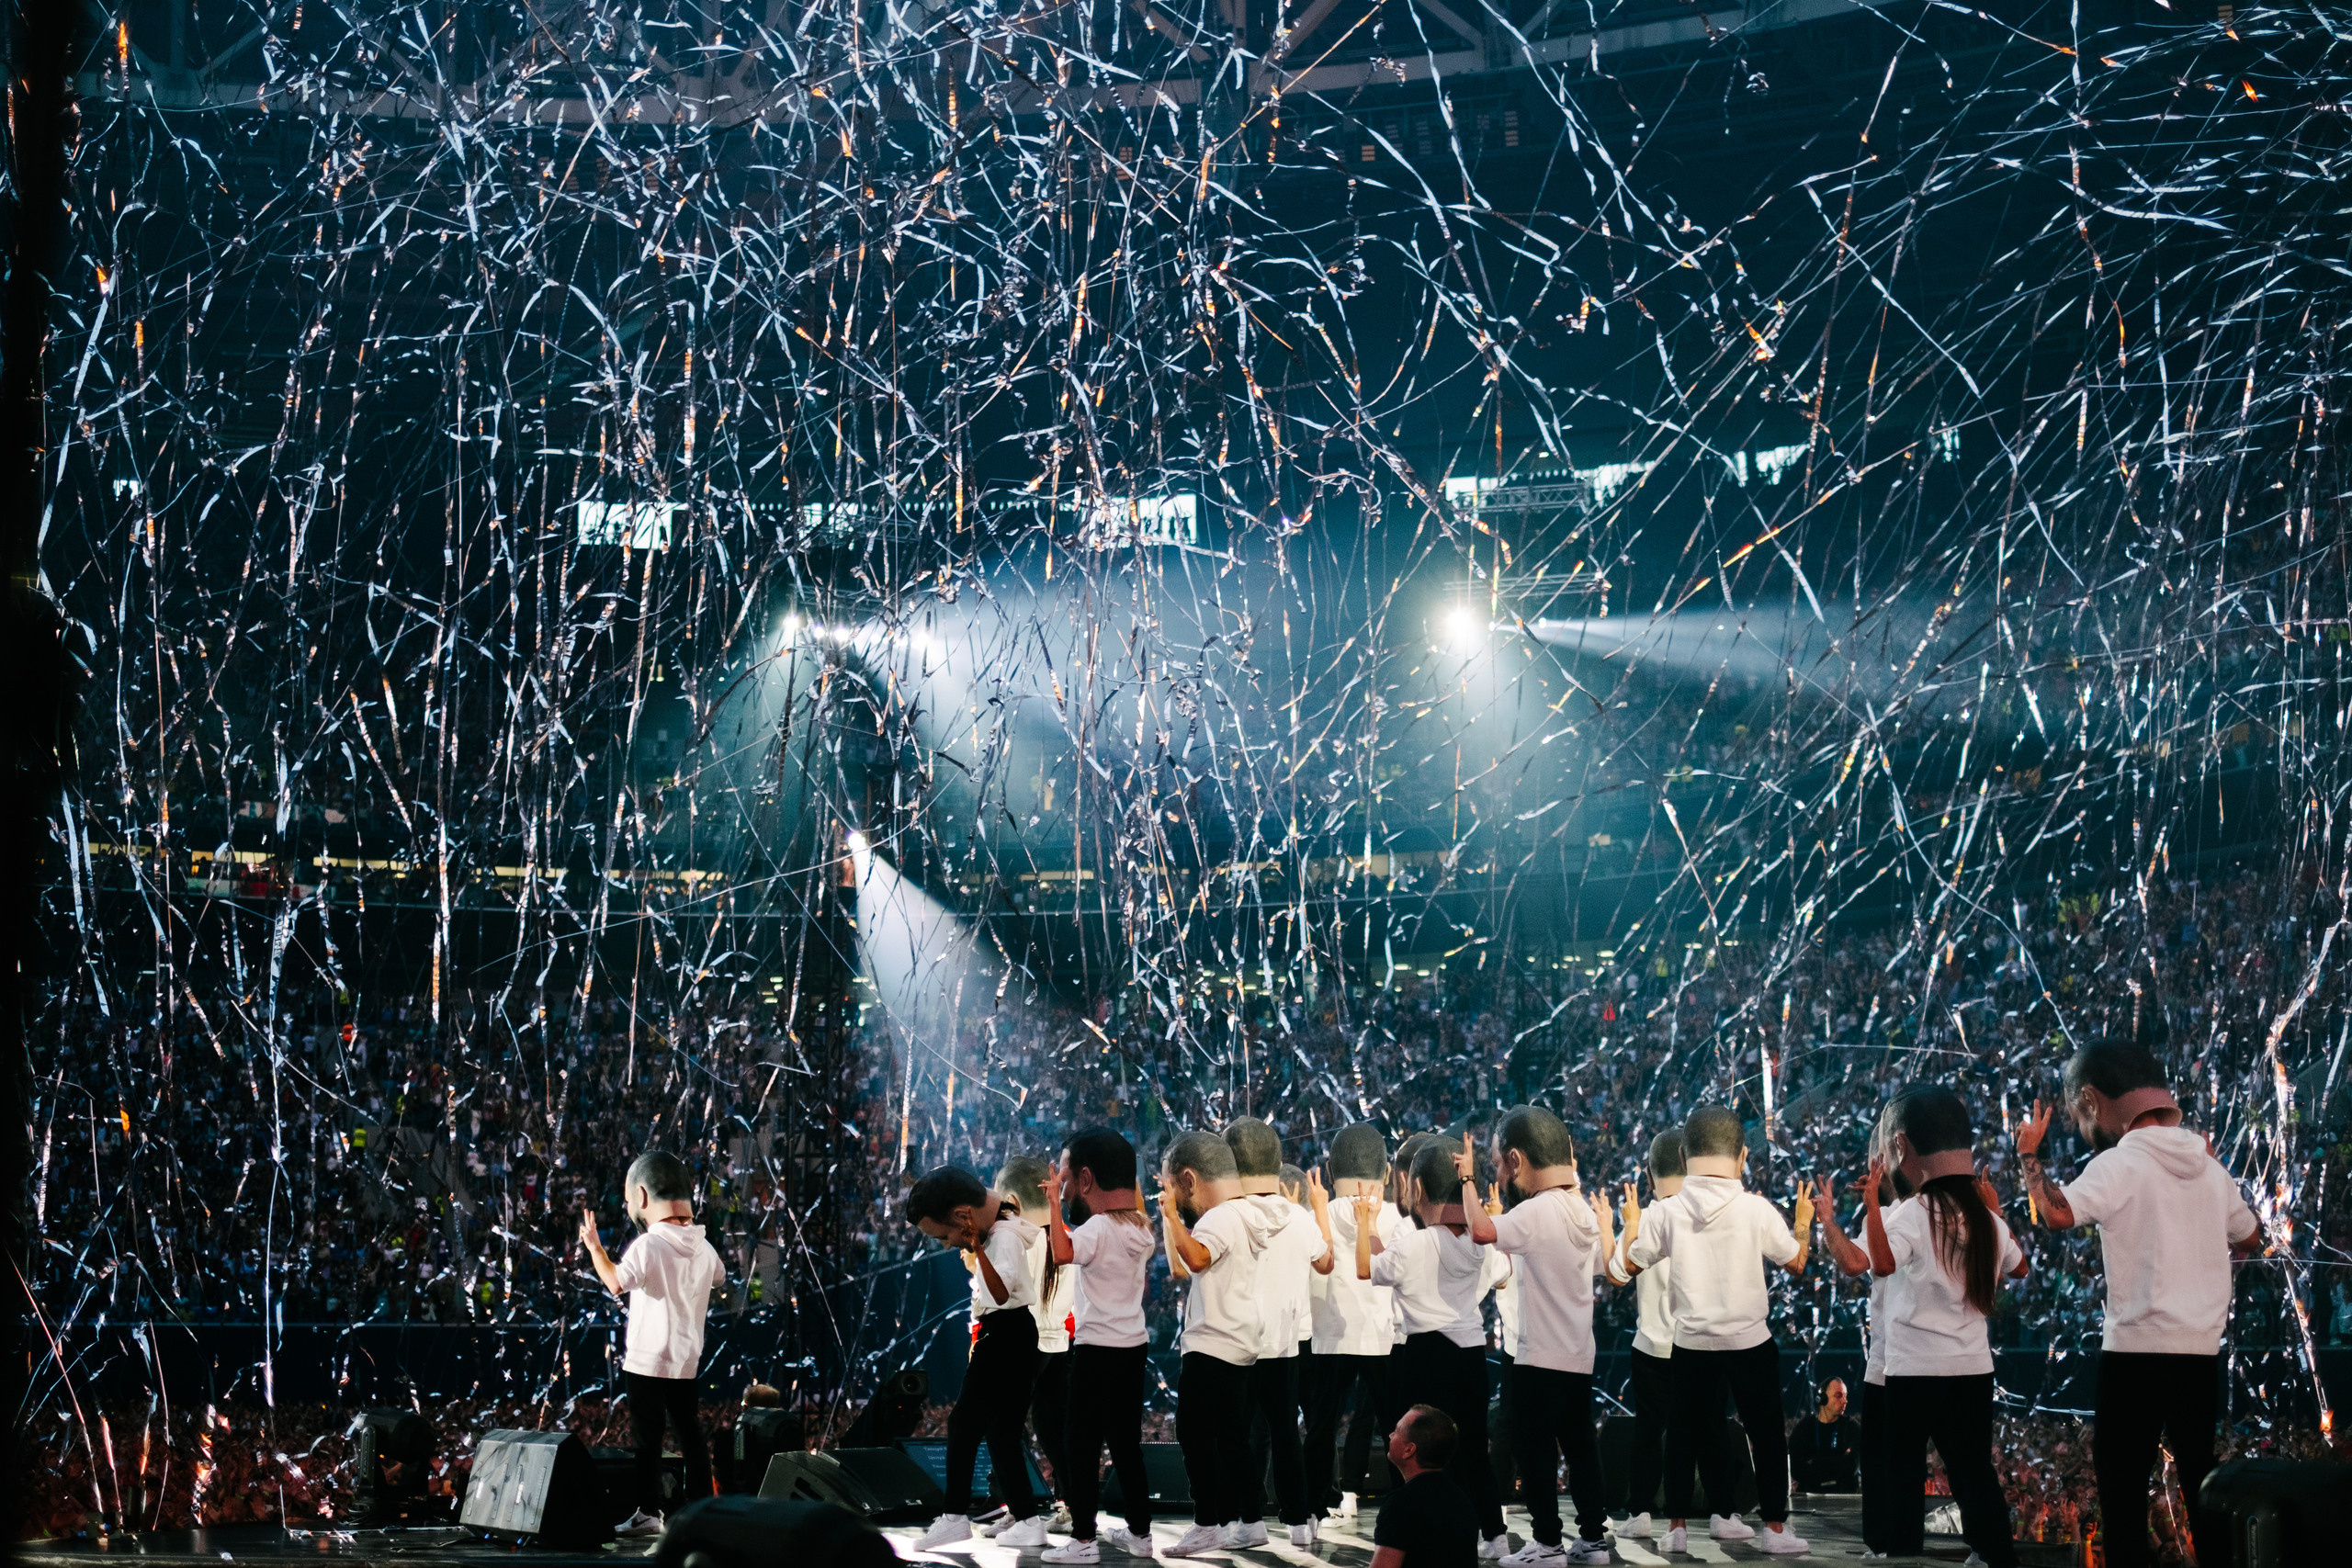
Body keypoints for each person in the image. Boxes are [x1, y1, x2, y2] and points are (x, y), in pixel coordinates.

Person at [2016, 1041, 2262, 1568]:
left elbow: (2056, 1214)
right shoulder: (2209, 1168)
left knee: (2123, 1495)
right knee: (2203, 1488)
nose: (2084, 1132)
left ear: (2091, 1099)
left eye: (2080, 1117)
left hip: (2135, 1355)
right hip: (2200, 1355)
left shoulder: (2120, 1164)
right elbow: (2253, 1237)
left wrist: (2028, 1155)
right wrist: (2214, 1189)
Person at [1621, 1104, 1815, 1556]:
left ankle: (1677, 1528)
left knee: (1681, 1435)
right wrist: (1803, 1220)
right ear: (1742, 1157)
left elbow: (1630, 1264)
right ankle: (1774, 1531)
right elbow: (1797, 1262)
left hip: (1690, 1341)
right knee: (1766, 1434)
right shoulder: (1755, 1209)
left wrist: (1632, 1226)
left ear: (1686, 1158)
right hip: (1749, 1340)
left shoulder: (1667, 1213)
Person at [1865, 1087, 2028, 1568]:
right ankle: (1994, 1554)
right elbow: (2019, 1269)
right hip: (1972, 1368)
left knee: (1904, 1471)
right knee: (1973, 1470)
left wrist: (1875, 1205)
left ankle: (1903, 1557)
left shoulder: (1913, 1213)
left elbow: (1882, 1262)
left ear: (1901, 1147)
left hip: (1914, 1369)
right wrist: (1996, 1213)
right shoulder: (1984, 1218)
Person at [1457, 1111, 1613, 1566]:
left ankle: (1547, 1543)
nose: (1499, 1176)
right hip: (1579, 1356)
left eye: (1498, 1166)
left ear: (1516, 1159)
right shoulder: (1580, 1210)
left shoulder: (1536, 1209)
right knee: (1582, 1450)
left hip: (1537, 1356)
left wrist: (1467, 1180)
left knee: (1536, 1452)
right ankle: (1594, 1541)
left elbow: (1484, 1231)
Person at [1361, 1136, 1511, 1560]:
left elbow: (1372, 1269)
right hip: (1470, 1355)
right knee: (1472, 1450)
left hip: (1425, 1355)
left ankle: (1418, 1529)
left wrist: (1368, 1226)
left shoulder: (1412, 1243)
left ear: (1419, 1189)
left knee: (1420, 1455)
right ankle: (1493, 1534)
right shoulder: (1478, 1244)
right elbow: (1504, 1270)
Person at [577, 1150, 726, 1536]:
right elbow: (721, 1278)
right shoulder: (706, 1248)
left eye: (629, 1200)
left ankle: (648, 1513)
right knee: (690, 1437)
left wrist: (595, 1247)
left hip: (647, 1362)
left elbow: (615, 1282)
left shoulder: (649, 1245)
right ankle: (703, 1511)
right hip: (686, 1361)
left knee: (648, 1441)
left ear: (642, 1197)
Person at [903, 1165, 1049, 1551]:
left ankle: (953, 1517)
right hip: (1015, 1333)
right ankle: (1028, 1519)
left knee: (964, 1423)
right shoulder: (1005, 1227)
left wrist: (978, 1249)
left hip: (1005, 1332)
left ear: (962, 1215)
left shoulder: (1000, 1240)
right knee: (1001, 1433)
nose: (949, 1244)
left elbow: (999, 1295)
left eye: (945, 1234)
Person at [1603, 1132, 1735, 1543]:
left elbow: (1618, 1274)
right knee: (1710, 1430)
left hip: (1651, 1347)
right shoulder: (1708, 1215)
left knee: (1648, 1433)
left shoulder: (1645, 1221)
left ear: (1648, 1174)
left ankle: (1640, 1512)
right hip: (1701, 1342)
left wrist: (1622, 1227)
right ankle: (1723, 1515)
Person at [1042, 1127, 1159, 1563]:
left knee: (1081, 1443)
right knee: (1126, 1444)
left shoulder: (1094, 1230)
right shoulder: (1142, 1232)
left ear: (1087, 1180)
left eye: (1066, 1178)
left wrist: (1054, 1204)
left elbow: (1061, 1253)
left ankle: (1084, 1540)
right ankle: (1142, 1534)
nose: (1064, 1185)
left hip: (1094, 1351)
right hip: (1133, 1348)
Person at [1159, 1128, 1276, 1557]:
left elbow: (1197, 1258)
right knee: (1230, 1438)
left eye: (1174, 1188)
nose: (1175, 1199)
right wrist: (1171, 1220)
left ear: (1188, 1180)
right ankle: (1251, 1519)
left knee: (1192, 1433)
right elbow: (1184, 1268)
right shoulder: (1246, 1213)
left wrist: (1172, 1218)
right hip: (1238, 1340)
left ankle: (1207, 1523)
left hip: (1213, 1342)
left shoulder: (1220, 1217)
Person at [1223, 1120, 1334, 1546]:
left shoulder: (1228, 1215)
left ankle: (1248, 1520)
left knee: (1242, 1436)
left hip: (1240, 1343)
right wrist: (1320, 1211)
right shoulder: (1298, 1218)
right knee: (1286, 1432)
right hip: (1287, 1343)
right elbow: (1325, 1264)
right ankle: (1298, 1521)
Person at [1814, 1140, 1910, 1558]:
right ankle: (1980, 1546)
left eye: (1879, 1163)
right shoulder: (1928, 1213)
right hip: (1936, 1362)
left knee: (1880, 1462)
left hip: (1891, 1367)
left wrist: (1829, 1222)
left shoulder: (1891, 1217)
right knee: (1944, 1461)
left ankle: (1884, 1546)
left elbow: (1853, 1263)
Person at [1306, 1122, 1404, 1521]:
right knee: (1398, 1429)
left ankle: (1307, 1515)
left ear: (1330, 1172)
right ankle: (1403, 1511)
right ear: (1386, 1173)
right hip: (1385, 1338)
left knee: (1320, 1428)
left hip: (1329, 1337)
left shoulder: (1314, 1218)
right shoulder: (1400, 1219)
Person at [999, 1154, 1079, 1534]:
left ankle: (1019, 1510)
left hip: (1024, 1342)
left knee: (1005, 1425)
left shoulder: (1017, 1239)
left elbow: (1001, 1296)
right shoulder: (1065, 1236)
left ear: (1013, 1200)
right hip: (1058, 1343)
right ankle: (1072, 1505)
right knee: (1051, 1428)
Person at [1373, 1405, 1481, 1568]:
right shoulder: (1460, 1498)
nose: (1390, 1435)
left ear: (1408, 1450)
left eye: (1396, 1431)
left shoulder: (1402, 1503)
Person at [1785, 1380, 1860, 1494]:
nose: (1845, 1401)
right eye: (1838, 1396)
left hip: (1843, 1499)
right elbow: (1796, 1470)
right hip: (1810, 1500)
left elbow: (1851, 1466)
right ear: (1822, 1399)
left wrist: (1814, 1462)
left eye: (1845, 1396)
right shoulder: (1804, 1428)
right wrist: (1839, 1461)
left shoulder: (1852, 1428)